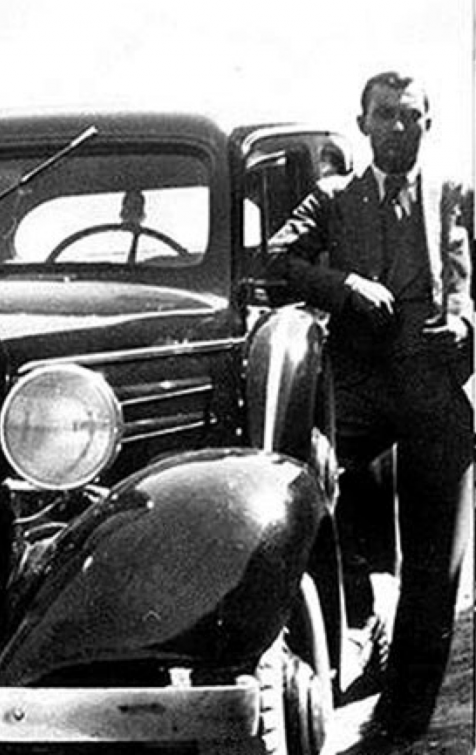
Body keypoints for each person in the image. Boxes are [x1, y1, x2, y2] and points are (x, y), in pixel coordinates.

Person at [267, 70, 473, 743]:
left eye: (410, 115)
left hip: (434, 383)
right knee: (300, 492)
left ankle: (401, 720)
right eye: (384, 115)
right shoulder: (333, 197)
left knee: (434, 561)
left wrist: (469, 327)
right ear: (362, 125)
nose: (397, 127)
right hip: (357, 385)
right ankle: (348, 618)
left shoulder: (458, 194)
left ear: (427, 124)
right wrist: (344, 283)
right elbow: (280, 259)